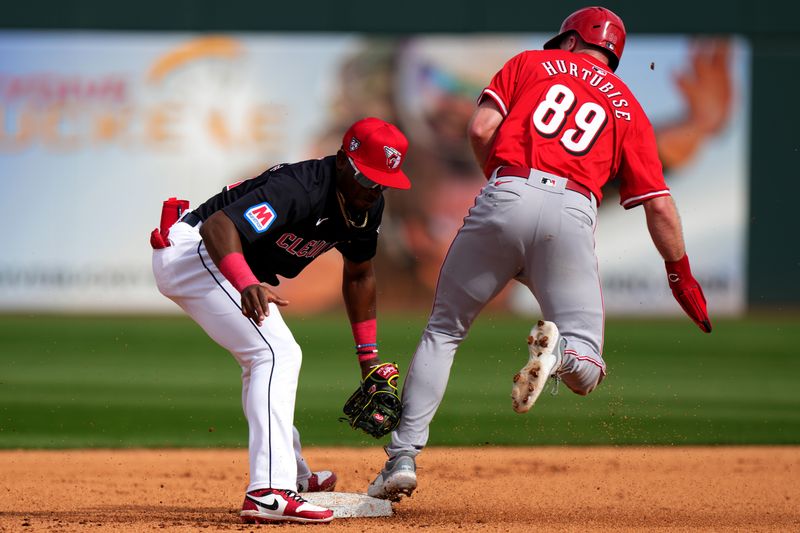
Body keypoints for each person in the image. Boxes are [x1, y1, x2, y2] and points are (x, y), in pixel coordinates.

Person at [367, 6, 712, 501]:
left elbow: (482, 130)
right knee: (587, 369)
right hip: (572, 215)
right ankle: (562, 354)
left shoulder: (530, 62)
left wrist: (503, 194)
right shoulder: (629, 108)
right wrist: (680, 273)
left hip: (507, 191)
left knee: (445, 330)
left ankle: (402, 459)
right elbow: (658, 203)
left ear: (570, 40)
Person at [150, 117, 411, 523]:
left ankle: (295, 475)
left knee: (265, 358)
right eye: (367, 178)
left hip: (225, 265)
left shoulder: (367, 205)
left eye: (383, 182)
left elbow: (360, 274)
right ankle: (268, 491)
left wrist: (368, 359)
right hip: (194, 254)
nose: (373, 190)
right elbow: (219, 227)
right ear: (343, 161)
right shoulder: (301, 188)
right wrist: (245, 281)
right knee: (276, 354)